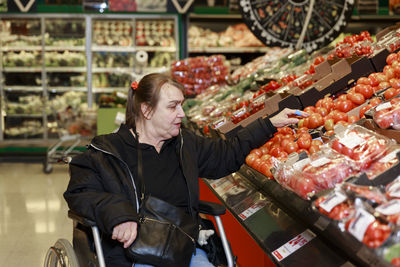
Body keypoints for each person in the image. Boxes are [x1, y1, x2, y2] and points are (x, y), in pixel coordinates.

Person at [64, 73, 308, 267]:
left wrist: (268, 124)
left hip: (184, 249)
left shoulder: (184, 144)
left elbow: (226, 154)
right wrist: (118, 215)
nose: (182, 113)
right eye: (172, 107)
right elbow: (82, 193)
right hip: (135, 255)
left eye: (181, 105)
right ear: (146, 110)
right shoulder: (107, 151)